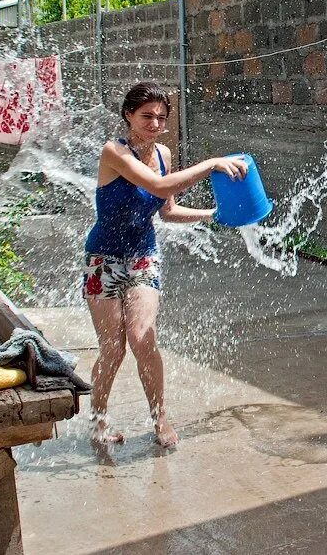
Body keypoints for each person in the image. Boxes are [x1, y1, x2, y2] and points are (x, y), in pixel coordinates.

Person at [83, 82, 248, 448]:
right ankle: (98, 420)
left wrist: (214, 215)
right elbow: (158, 187)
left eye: (161, 117)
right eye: (147, 116)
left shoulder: (163, 155)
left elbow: (167, 210)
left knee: (143, 337)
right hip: (103, 259)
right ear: (128, 115)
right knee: (113, 348)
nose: (155, 124)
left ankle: (160, 419)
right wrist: (210, 164)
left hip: (143, 255)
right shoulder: (114, 152)